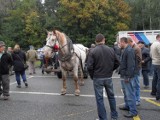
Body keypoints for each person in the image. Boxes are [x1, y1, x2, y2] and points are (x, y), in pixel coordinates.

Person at [87, 33, 119, 120]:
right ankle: (114, 116)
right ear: (104, 40)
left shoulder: (92, 51)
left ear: (95, 41)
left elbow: (89, 66)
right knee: (111, 97)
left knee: (99, 99)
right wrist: (110, 70)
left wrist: (93, 76)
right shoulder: (111, 50)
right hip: (108, 77)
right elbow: (117, 62)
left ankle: (103, 118)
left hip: (98, 77)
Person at [119, 37, 138, 118]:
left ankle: (133, 111)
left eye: (120, 42)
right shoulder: (126, 50)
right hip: (124, 75)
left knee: (130, 94)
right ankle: (127, 106)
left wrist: (127, 77)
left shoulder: (129, 51)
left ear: (123, 42)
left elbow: (131, 66)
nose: (119, 44)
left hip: (127, 76)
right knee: (126, 93)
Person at [127, 37, 142, 106]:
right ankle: (135, 99)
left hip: (136, 69)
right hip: (134, 69)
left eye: (128, 43)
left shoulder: (136, 48)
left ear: (130, 42)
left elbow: (138, 59)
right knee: (134, 85)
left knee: (136, 85)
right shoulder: (133, 48)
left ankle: (137, 100)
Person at [150, 34, 160, 100]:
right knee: (159, 80)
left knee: (155, 78)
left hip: (154, 62)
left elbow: (150, 54)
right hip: (159, 63)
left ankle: (153, 91)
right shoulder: (158, 44)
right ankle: (158, 95)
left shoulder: (153, 44)